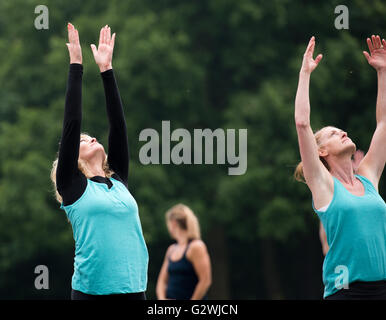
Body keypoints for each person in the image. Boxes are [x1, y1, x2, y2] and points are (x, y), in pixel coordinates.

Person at [50, 23, 148, 300]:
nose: (91, 138)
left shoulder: (119, 181)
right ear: (73, 157)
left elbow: (118, 126)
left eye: (92, 137)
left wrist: (107, 70)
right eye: (83, 140)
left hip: (134, 290)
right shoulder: (73, 186)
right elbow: (71, 123)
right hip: (92, 294)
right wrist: (76, 65)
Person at [294, 36, 386, 300]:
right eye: (334, 134)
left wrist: (383, 73)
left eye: (341, 130)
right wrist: (305, 73)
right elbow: (302, 123)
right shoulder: (323, 185)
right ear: (321, 151)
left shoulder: (367, 177)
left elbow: (384, 123)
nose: (343, 132)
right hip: (346, 293)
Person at [156, 204, 212, 300]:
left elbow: (205, 280)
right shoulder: (171, 249)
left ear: (173, 223)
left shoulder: (196, 247)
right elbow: (161, 282)